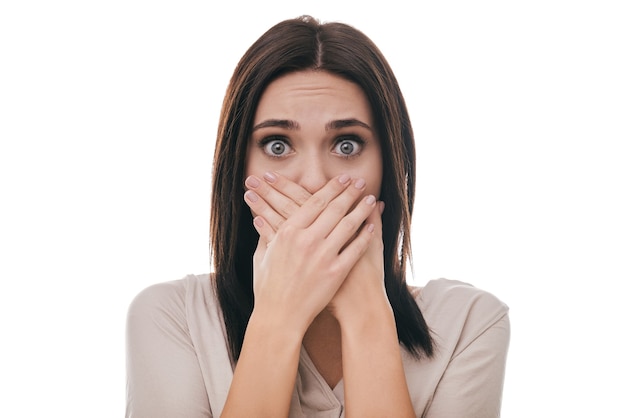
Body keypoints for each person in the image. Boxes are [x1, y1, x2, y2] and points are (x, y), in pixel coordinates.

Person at [125, 15, 510, 418]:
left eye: (346, 145)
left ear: (389, 168)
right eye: (277, 145)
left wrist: (366, 314)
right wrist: (279, 316)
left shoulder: (469, 323)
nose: (313, 181)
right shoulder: (171, 317)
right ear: (238, 168)